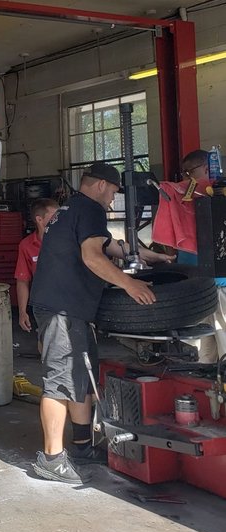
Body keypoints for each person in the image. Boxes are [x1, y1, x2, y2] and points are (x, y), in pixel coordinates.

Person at [29, 162, 170, 486]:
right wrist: (129, 284)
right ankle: (51, 459)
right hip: (63, 308)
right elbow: (92, 256)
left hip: (70, 308)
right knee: (60, 381)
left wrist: (151, 255)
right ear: (102, 185)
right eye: (114, 193)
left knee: (80, 377)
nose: (112, 200)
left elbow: (108, 245)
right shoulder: (91, 209)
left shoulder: (71, 209)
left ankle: (81, 447)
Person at [15, 198, 59, 334]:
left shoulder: (69, 240)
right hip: (43, 303)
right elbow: (22, 280)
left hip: (69, 300)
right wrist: (22, 312)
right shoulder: (26, 245)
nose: (59, 220)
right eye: (54, 217)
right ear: (39, 219)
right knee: (46, 338)